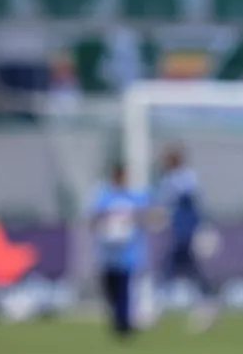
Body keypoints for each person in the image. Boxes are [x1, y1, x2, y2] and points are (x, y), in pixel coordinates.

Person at [155, 143, 218, 332]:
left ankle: (158, 303)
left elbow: (193, 204)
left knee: (171, 265)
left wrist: (202, 227)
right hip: (177, 229)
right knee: (187, 268)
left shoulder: (186, 178)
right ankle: (207, 302)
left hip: (187, 230)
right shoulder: (168, 179)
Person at [88, 161, 149, 339]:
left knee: (124, 289)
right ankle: (118, 319)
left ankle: (123, 325)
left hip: (127, 253)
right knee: (110, 290)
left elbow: (146, 215)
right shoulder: (103, 196)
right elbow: (93, 218)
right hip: (107, 253)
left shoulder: (134, 197)